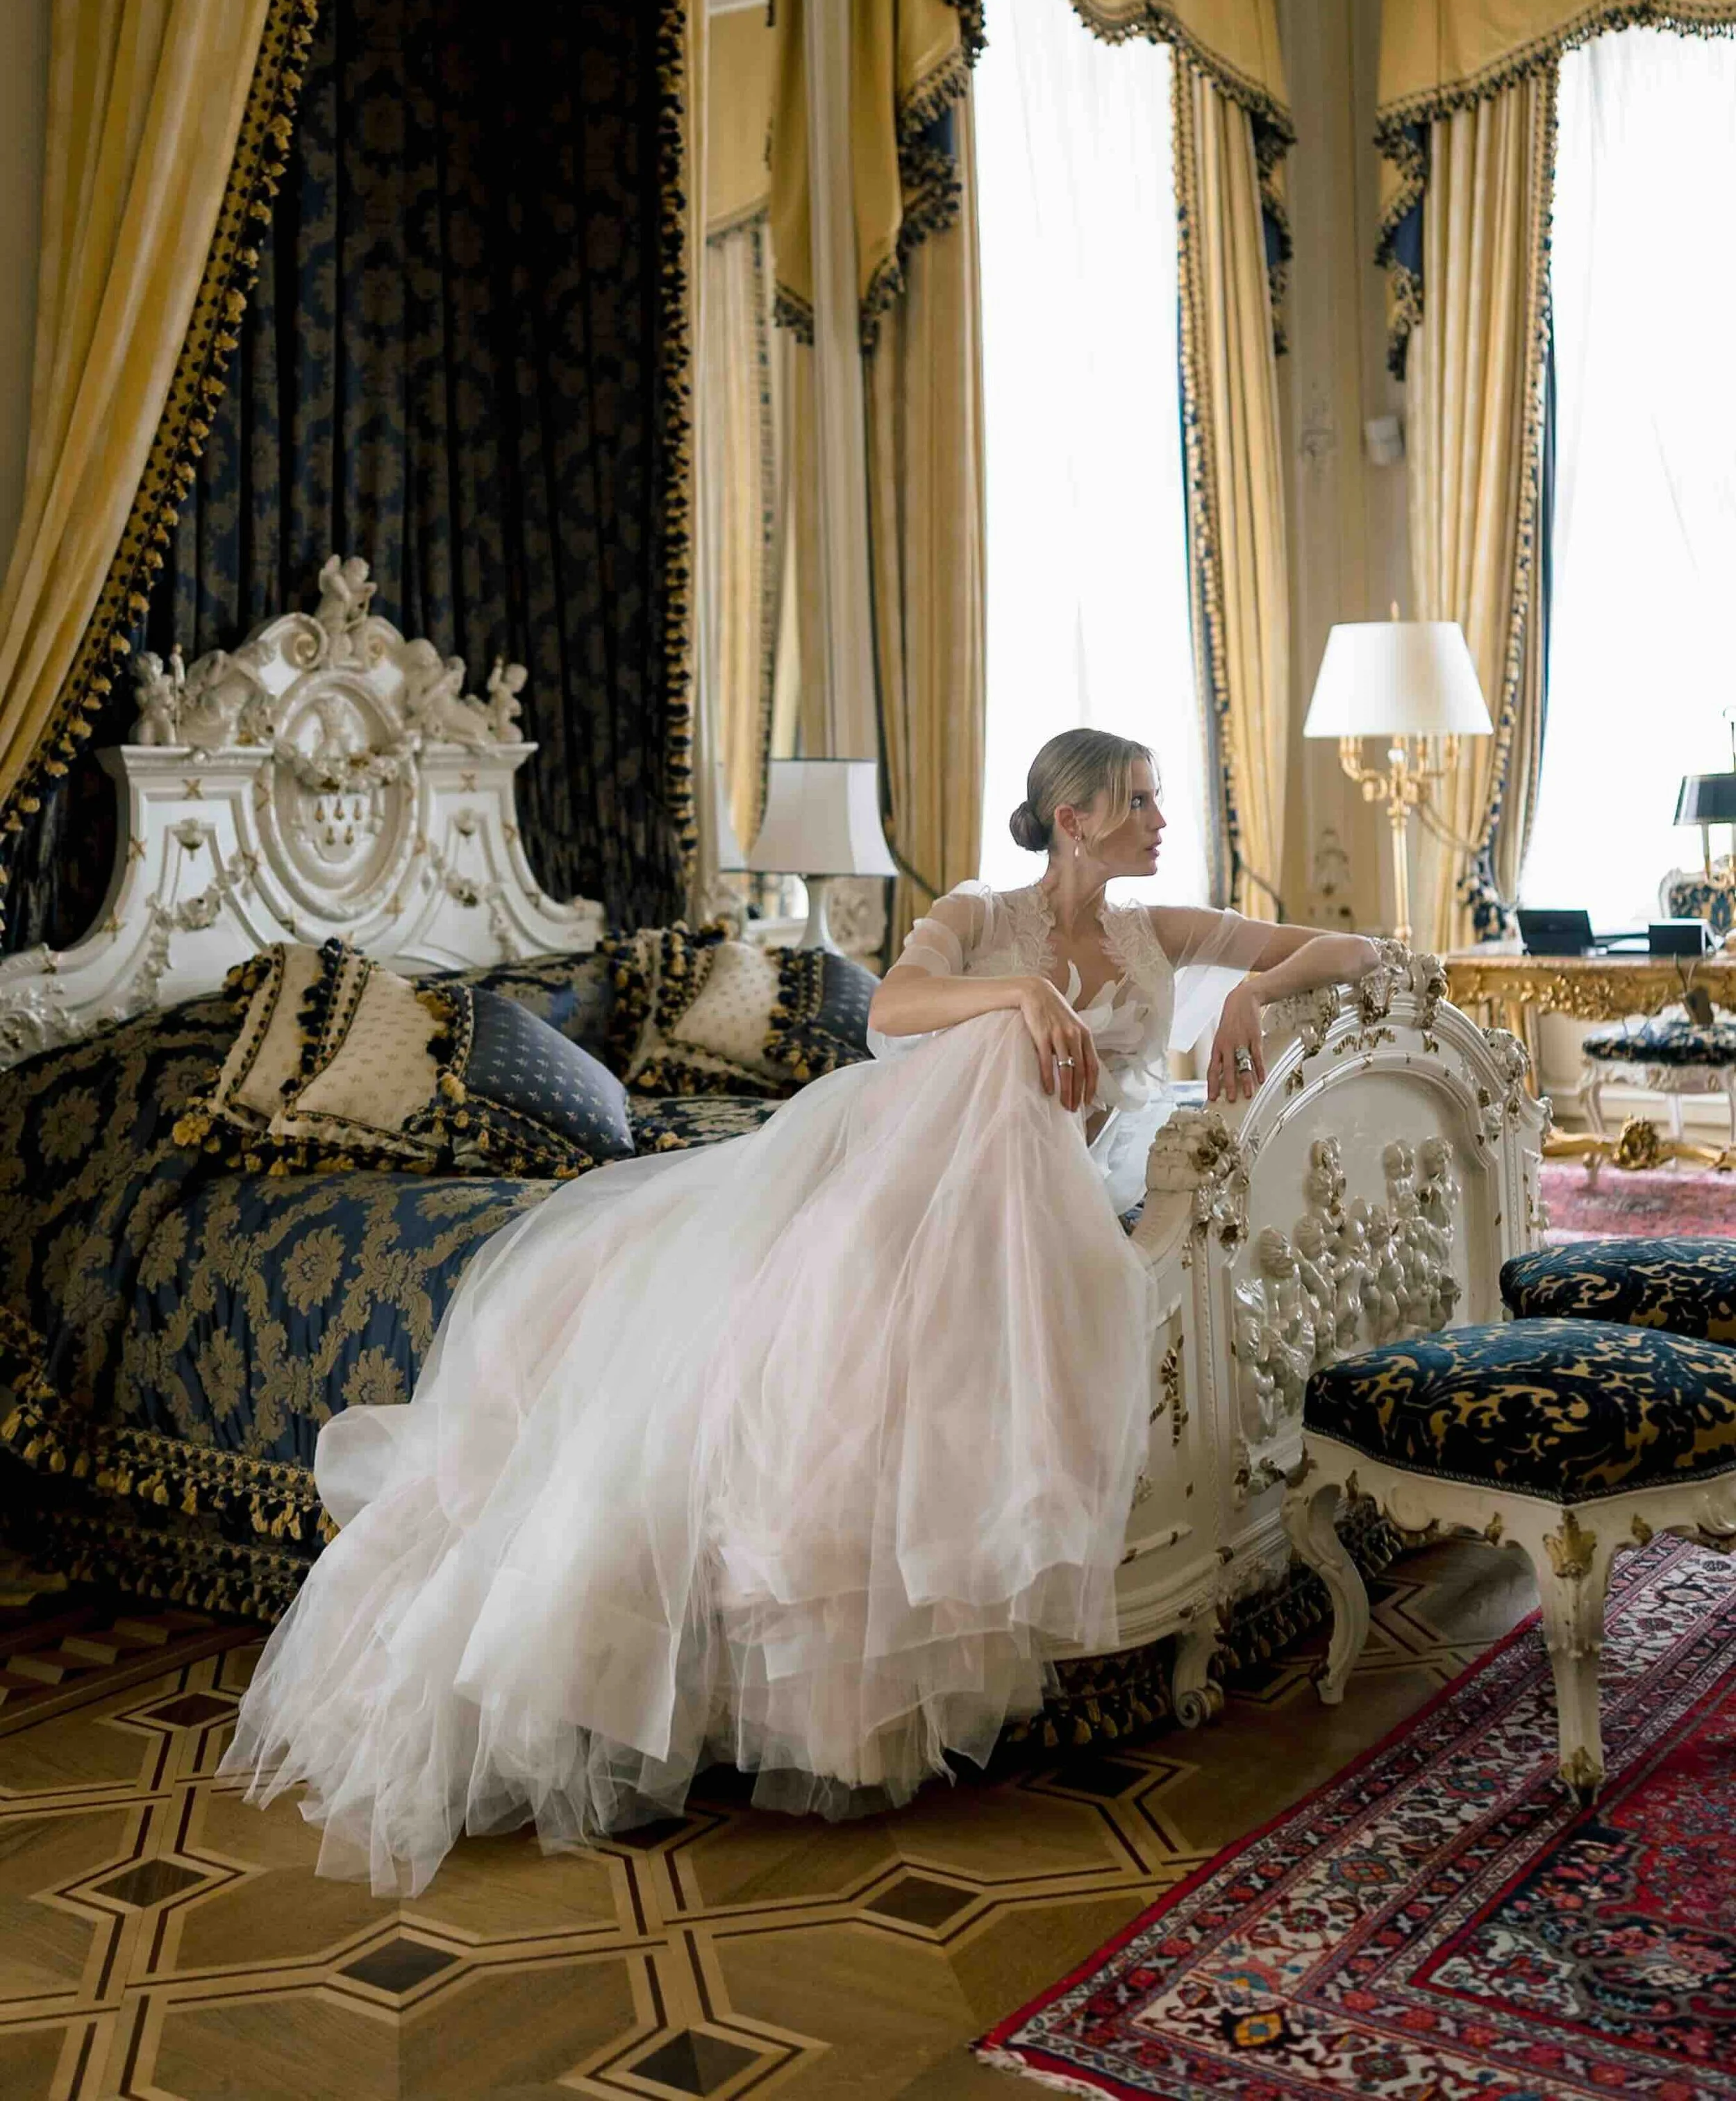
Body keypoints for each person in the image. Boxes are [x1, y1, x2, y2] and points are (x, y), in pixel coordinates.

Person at [219, 728, 1380, 1894]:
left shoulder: (1155, 929)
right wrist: (1023, 992)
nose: (1162, 819)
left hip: (1036, 1177)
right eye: (1139, 800)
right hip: (907, 1173)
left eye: (1157, 798)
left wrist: (1256, 991)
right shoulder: (979, 915)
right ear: (1073, 820)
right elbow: (894, 1009)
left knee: (1010, 1108)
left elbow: (1355, 949)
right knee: (981, 1069)